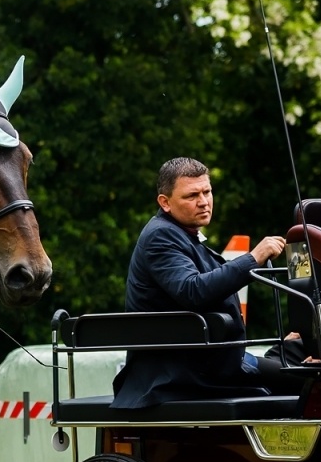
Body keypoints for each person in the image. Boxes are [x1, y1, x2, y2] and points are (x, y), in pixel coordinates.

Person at [112, 158, 286, 409]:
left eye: (207, 192)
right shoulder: (161, 235)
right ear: (165, 202)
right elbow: (193, 291)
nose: (203, 202)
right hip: (180, 374)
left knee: (296, 355)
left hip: (208, 361)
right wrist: (253, 258)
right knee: (308, 381)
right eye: (192, 195)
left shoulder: (183, 235)